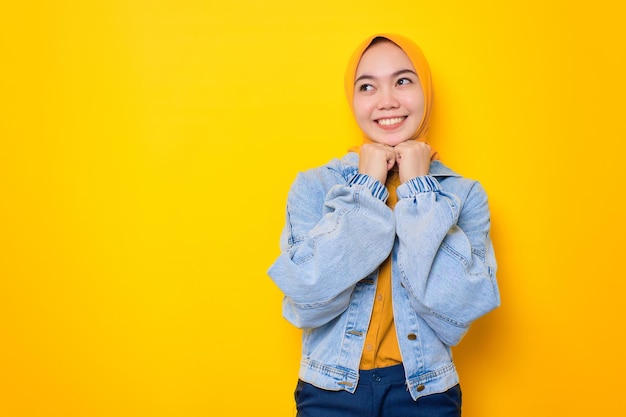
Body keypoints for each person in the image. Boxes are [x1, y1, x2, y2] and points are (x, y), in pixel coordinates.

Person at [267, 33, 500, 417]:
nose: (387, 100)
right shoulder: (314, 186)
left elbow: (456, 310)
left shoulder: (464, 193)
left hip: (427, 393)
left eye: (403, 80)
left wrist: (418, 191)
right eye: (367, 86)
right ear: (352, 99)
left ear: (425, 89)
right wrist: (368, 188)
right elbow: (307, 303)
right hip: (328, 392)